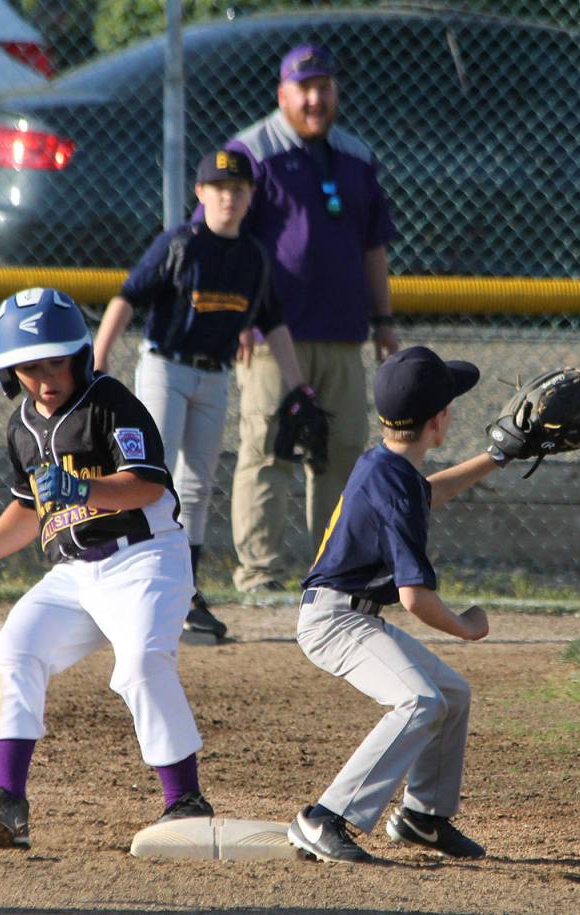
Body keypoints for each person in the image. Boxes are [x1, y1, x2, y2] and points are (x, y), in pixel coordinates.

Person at [0, 287, 214, 849]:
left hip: (145, 560)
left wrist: (81, 486)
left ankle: (185, 800)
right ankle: (6, 801)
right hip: (73, 574)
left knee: (138, 663)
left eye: (55, 361)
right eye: (29, 367)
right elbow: (29, 509)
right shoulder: (20, 428)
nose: (44, 378)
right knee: (15, 649)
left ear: (80, 357)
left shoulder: (110, 402)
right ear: (8, 372)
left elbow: (147, 484)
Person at [287, 346, 507, 864]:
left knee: (450, 692)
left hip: (346, 613)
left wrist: (498, 458)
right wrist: (466, 628)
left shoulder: (387, 465)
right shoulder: (393, 483)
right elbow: (415, 598)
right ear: (440, 420)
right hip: (334, 621)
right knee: (419, 701)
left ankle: (422, 818)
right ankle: (323, 817)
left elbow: (424, 493)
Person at [94, 149, 316, 641]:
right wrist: (100, 358)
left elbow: (273, 324)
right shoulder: (180, 243)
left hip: (214, 376)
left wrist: (299, 386)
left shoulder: (254, 257)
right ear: (200, 194)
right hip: (166, 368)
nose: (228, 198)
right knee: (155, 475)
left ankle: (185, 593)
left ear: (250, 197)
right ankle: (133, 580)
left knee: (196, 486)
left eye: (237, 190)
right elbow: (127, 296)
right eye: (218, 188)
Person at [216, 43, 399, 593]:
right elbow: (226, 240)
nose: (316, 98)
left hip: (343, 334)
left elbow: (374, 248)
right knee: (268, 451)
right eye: (305, 88)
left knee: (340, 456)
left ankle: (334, 576)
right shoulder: (251, 152)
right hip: (274, 337)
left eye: (324, 86)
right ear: (283, 94)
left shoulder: (356, 157)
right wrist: (239, 318)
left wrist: (384, 320)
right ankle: (261, 577)